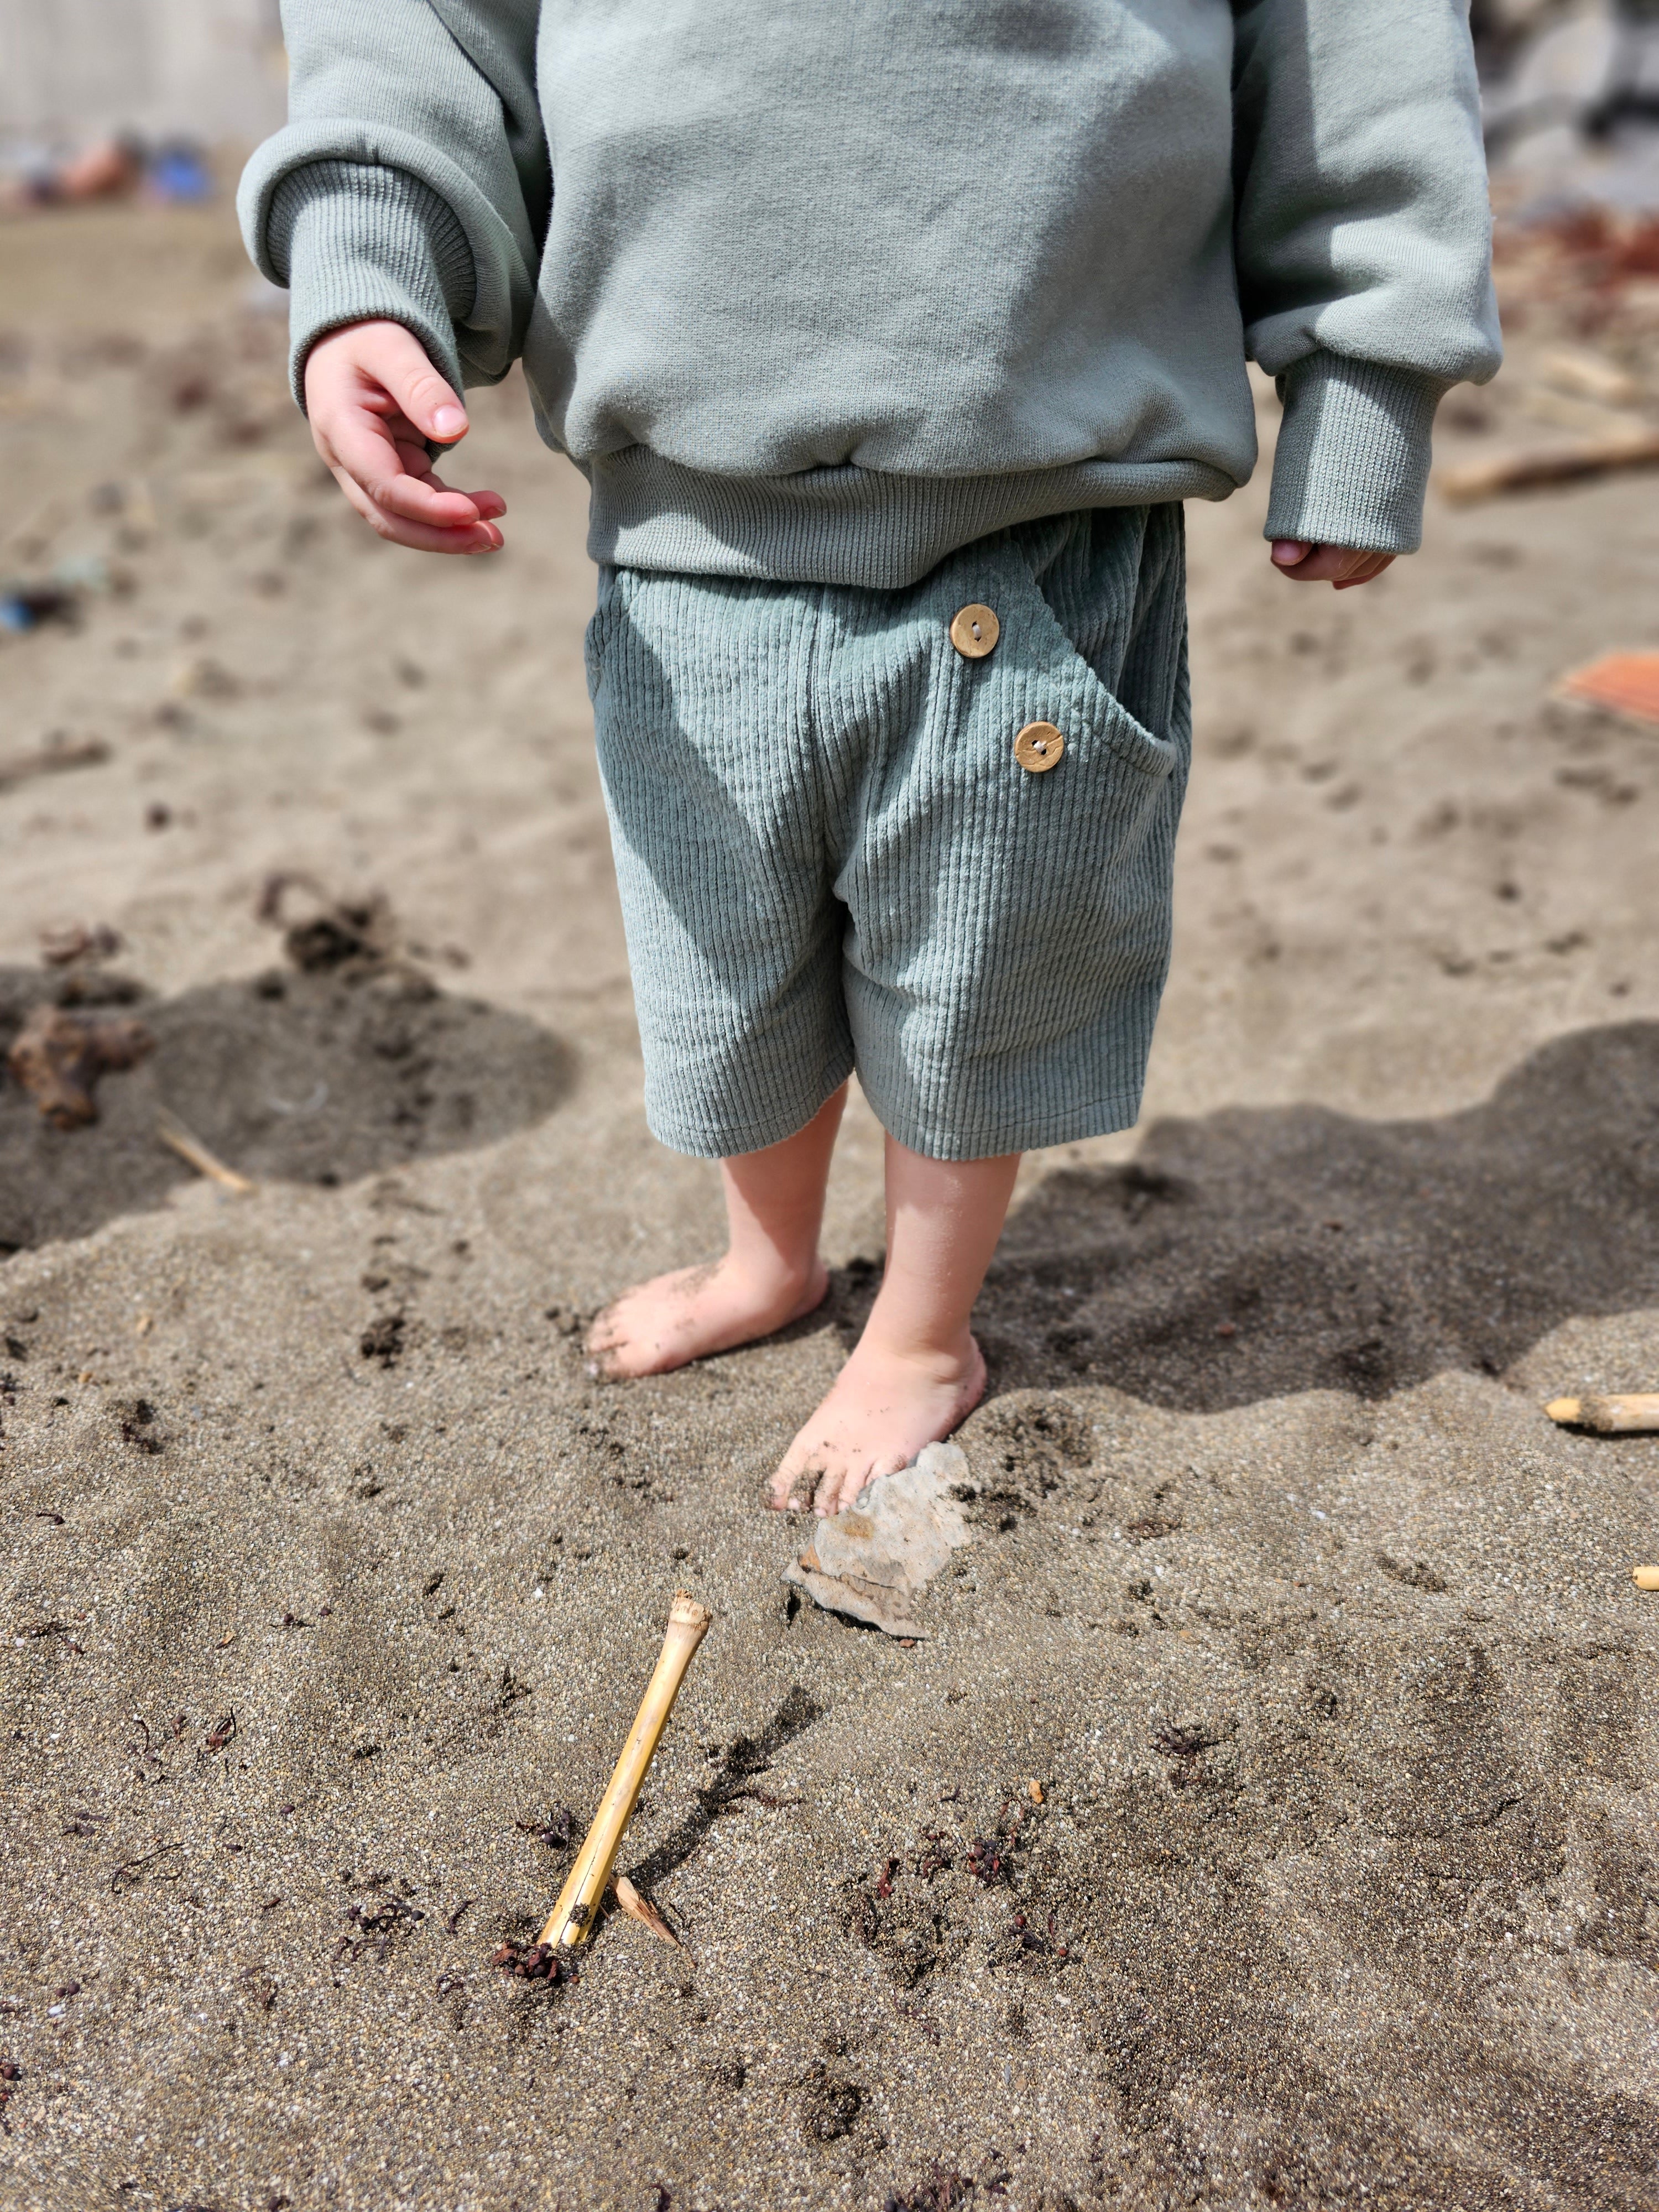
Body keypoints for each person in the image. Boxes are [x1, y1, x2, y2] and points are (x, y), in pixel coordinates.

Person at [240, 1, 1500, 1519]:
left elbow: (1350, 40)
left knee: (978, 963)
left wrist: (1369, 362)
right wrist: (374, 262)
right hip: (682, 506)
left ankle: (920, 1333)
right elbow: (423, 25)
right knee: (722, 948)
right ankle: (770, 1259)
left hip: (1037, 491)